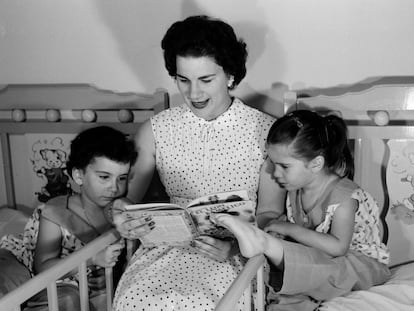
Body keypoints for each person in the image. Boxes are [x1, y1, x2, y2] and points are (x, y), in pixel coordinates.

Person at [111, 15, 285, 311]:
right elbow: (126, 199)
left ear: (230, 75)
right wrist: (121, 216)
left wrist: (236, 247)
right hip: (167, 248)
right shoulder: (155, 130)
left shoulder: (266, 132)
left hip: (237, 251)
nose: (193, 93)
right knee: (137, 300)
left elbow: (270, 211)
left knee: (204, 303)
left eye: (206, 79)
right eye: (183, 80)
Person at [211, 110, 391, 311]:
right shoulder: (296, 189)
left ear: (316, 164)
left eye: (284, 166)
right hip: (319, 259)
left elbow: (338, 248)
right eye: (272, 163)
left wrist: (289, 229)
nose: (274, 172)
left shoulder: (344, 198)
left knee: (325, 269)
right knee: (290, 280)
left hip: (360, 267)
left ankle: (266, 244)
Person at [0, 126, 137, 310]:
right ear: (78, 176)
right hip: (23, 263)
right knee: (6, 289)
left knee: (67, 299)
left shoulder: (118, 211)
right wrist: (91, 259)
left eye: (122, 178)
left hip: (63, 282)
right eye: (104, 177)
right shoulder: (57, 212)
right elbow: (42, 267)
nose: (114, 187)